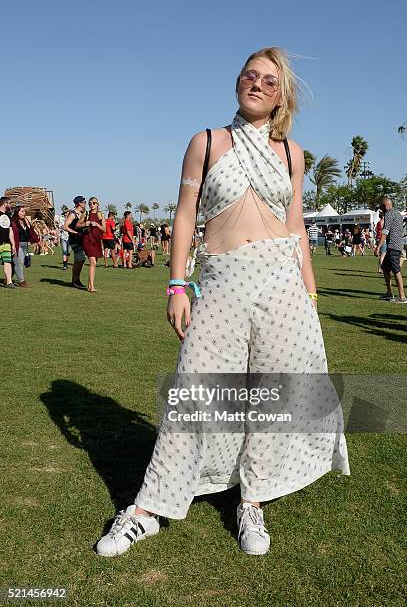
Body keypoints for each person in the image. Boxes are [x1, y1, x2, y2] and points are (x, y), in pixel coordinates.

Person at [96, 47, 349, 558]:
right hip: (223, 279)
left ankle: (251, 501)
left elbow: (296, 228)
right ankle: (147, 509)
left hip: (282, 284)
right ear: (238, 82)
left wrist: (311, 292)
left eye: (269, 81)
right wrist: (176, 285)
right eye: (249, 75)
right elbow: (185, 214)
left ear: (281, 96)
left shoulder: (291, 154)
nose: (256, 84)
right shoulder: (207, 142)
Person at [374, 198, 406, 302]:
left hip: (393, 246)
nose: (381, 210)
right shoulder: (398, 214)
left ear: (385, 205)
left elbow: (385, 231)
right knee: (385, 268)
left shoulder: (388, 214)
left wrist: (378, 247)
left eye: (381, 207)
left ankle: (402, 297)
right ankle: (389, 293)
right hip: (397, 245)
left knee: (396, 270)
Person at [63, 196, 90, 289]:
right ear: (79, 203)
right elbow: (65, 226)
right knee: (81, 258)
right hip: (75, 240)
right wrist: (75, 233)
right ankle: (76, 280)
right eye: (84, 202)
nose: (85, 203)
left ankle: (75, 280)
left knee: (79, 260)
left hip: (81, 239)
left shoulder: (82, 213)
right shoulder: (73, 214)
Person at [11, 205, 39, 287]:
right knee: (19, 262)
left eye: (24, 211)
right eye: (22, 211)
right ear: (17, 212)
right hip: (16, 244)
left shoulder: (25, 221)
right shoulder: (13, 221)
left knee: (16, 263)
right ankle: (21, 281)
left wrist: (37, 240)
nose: (24, 213)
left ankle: (8, 279)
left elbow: (30, 232)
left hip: (25, 244)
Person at [82, 197, 106, 292]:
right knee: (93, 263)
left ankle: (89, 285)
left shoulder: (101, 215)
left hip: (96, 240)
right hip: (88, 239)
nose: (92, 205)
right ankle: (92, 286)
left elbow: (104, 229)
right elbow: (78, 225)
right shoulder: (86, 214)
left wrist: (97, 224)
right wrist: (85, 223)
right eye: (90, 203)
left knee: (94, 263)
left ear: (97, 204)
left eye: (94, 203)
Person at [0, 197, 17, 289]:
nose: (11, 205)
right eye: (9, 203)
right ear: (5, 203)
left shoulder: (8, 216)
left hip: (6, 243)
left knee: (8, 261)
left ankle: (9, 282)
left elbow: (10, 231)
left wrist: (13, 244)